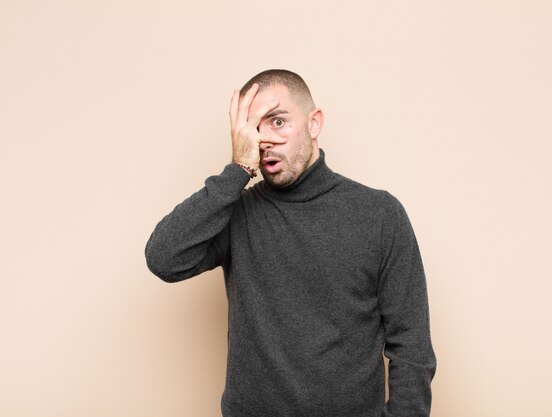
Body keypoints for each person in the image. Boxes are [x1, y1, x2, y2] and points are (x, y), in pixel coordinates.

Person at [144, 69, 436, 417]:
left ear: (314, 123)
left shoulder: (380, 214)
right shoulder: (236, 212)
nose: (264, 139)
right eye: (252, 129)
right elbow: (163, 257)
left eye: (278, 121)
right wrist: (237, 170)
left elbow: (412, 346)